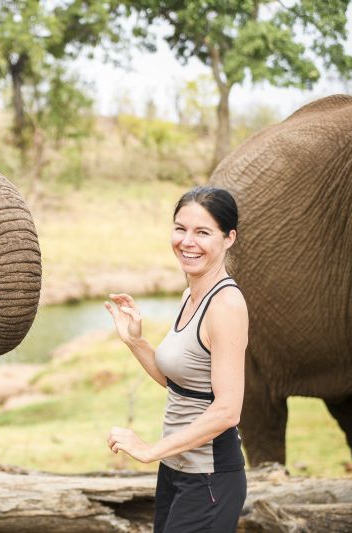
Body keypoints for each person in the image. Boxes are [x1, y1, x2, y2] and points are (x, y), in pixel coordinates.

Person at [104, 186, 248, 532]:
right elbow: (184, 384)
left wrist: (151, 449)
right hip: (175, 471)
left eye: (202, 232)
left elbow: (228, 411)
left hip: (209, 479)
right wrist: (136, 343)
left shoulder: (225, 306)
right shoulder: (190, 295)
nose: (187, 241)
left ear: (229, 238)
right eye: (180, 229)